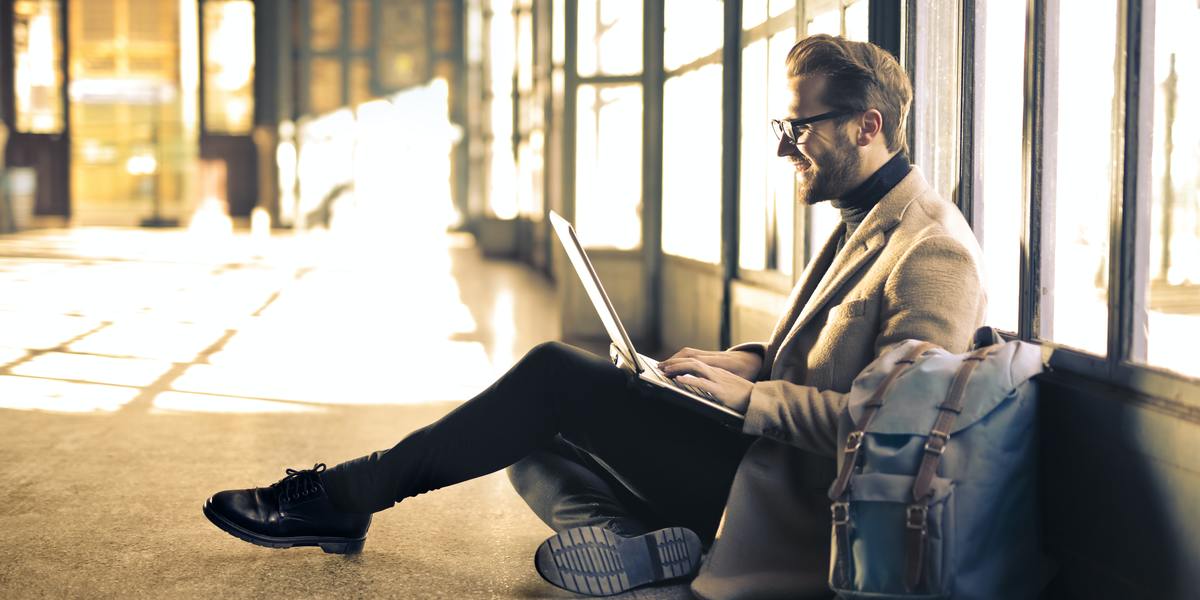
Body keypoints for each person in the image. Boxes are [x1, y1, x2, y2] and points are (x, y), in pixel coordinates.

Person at [203, 34, 985, 599]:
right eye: (783, 130)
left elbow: (894, 431)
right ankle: (638, 548)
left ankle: (346, 496)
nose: (787, 149)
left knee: (550, 376)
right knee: (518, 442)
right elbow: (817, 351)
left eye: (799, 128)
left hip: (791, 498)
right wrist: (734, 364)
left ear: (867, 125)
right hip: (753, 454)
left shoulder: (931, 250)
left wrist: (746, 400)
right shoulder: (865, 215)